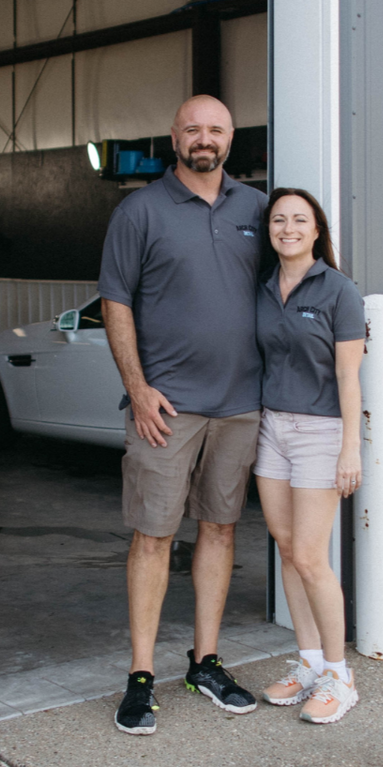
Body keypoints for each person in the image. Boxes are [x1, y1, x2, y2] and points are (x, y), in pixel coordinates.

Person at [98, 95, 266, 734]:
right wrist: (138, 388)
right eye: (193, 128)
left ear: (231, 137)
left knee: (220, 529)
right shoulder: (139, 211)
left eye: (216, 129)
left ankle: (205, 662)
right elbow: (116, 303)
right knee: (154, 535)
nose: (205, 138)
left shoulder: (256, 209)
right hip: (165, 409)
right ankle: (141, 676)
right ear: (174, 137)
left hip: (240, 405)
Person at [254, 187, 366, 724]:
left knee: (310, 557)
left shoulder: (340, 291)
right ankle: (309, 662)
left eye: (299, 219)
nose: (288, 227)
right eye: (279, 219)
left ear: (316, 229)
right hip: (271, 427)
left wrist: (351, 448)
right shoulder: (262, 288)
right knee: (285, 546)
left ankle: (340, 677)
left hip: (321, 432)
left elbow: (349, 375)